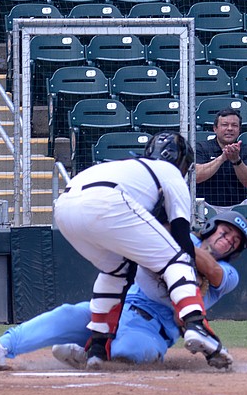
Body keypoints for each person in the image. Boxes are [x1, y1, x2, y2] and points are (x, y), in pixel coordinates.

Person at [0, 209, 247, 370]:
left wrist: (170, 234)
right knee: (66, 315)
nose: (227, 241)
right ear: (211, 227)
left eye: (234, 242)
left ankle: (88, 352)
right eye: (225, 233)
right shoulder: (184, 235)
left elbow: (211, 272)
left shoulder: (229, 273)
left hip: (152, 330)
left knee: (129, 351)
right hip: (117, 310)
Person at [51, 130, 232, 369]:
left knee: (116, 272)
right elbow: (181, 233)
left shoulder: (130, 168)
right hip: (107, 202)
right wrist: (185, 276)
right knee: (177, 259)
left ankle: (97, 349)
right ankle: (196, 325)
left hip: (65, 208)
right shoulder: (170, 173)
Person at [194, 108, 247, 207]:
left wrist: (236, 160)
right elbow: (197, 176)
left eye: (234, 125)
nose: (229, 128)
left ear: (239, 129)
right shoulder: (201, 147)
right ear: (215, 129)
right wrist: (222, 158)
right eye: (225, 125)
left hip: (238, 207)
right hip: (206, 206)